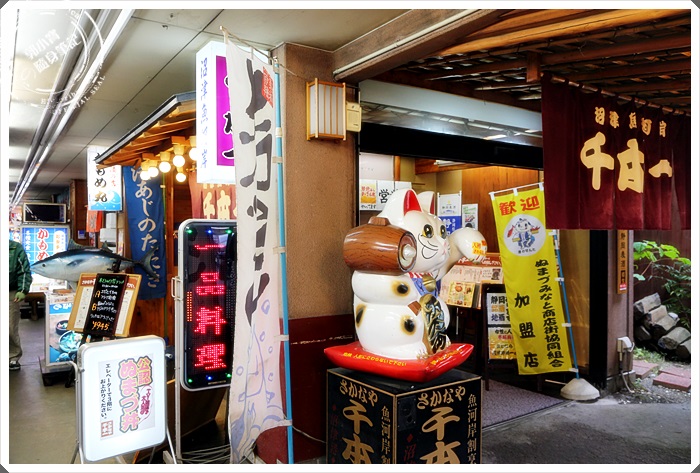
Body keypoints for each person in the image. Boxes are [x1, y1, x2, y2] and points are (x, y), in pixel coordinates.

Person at [9, 239, 32, 371]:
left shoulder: (14, 248)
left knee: (10, 327)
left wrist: (22, 290)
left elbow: (24, 271)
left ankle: (12, 356)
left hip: (10, 292)